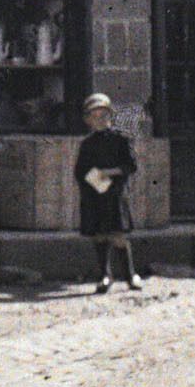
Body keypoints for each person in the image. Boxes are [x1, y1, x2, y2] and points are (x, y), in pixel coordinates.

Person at [75, 92, 143, 292]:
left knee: (119, 235)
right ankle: (105, 274)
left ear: (110, 117)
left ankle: (130, 275)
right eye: (94, 117)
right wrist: (97, 181)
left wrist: (110, 173)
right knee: (99, 235)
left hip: (115, 194)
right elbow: (80, 171)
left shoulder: (120, 139)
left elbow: (131, 165)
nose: (100, 121)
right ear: (88, 120)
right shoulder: (87, 144)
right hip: (95, 195)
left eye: (104, 116)